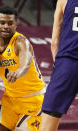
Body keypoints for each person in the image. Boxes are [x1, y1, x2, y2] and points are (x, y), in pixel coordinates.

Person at [0, 6, 46, 131]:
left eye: (10, 23)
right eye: (2, 22)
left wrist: (18, 72)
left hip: (33, 99)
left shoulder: (21, 41)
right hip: (10, 99)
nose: (6, 26)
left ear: (16, 24)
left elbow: (25, 64)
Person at [40, 0, 78, 130]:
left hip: (67, 64)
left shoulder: (63, 1)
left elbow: (54, 43)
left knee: (46, 126)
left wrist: (61, 69)